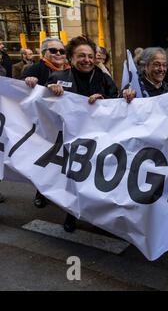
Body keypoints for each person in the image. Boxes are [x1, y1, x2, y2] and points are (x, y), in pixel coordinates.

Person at [47, 36, 119, 232]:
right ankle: (71, 214)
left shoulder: (104, 79)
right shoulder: (57, 79)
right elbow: (41, 108)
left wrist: (104, 101)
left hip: (99, 139)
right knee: (73, 179)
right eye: (81, 56)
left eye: (90, 56)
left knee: (97, 178)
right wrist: (49, 92)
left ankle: (99, 216)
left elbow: (117, 105)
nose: (87, 60)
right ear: (71, 58)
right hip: (69, 140)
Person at [21, 37, 71, 209]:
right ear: (44, 54)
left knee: (65, 162)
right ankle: (41, 192)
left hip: (67, 125)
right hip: (45, 127)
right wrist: (28, 82)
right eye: (53, 51)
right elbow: (19, 94)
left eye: (62, 51)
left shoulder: (72, 70)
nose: (58, 54)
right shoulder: (34, 69)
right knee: (45, 161)